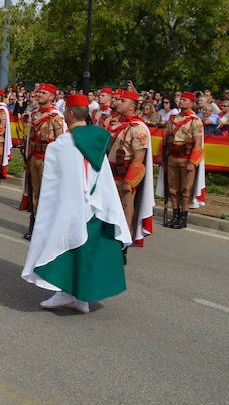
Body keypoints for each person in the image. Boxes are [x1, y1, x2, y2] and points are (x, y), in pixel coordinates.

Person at [21, 93, 131, 314]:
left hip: (71, 205)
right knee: (88, 249)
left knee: (69, 246)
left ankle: (67, 293)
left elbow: (53, 185)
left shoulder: (60, 145)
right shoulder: (101, 137)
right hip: (100, 203)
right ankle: (81, 298)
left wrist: (48, 211)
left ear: (69, 113)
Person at [107, 89, 154, 260]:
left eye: (122, 100)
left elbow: (138, 158)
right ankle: (108, 244)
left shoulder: (138, 128)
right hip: (108, 175)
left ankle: (122, 248)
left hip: (123, 176)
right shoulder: (111, 123)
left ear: (132, 106)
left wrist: (129, 182)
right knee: (107, 212)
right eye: (117, 99)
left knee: (125, 212)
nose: (117, 102)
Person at [19, 84, 65, 240]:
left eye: (43, 93)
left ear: (52, 96)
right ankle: (34, 225)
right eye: (38, 92)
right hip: (34, 156)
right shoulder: (35, 112)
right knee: (34, 193)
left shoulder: (56, 115)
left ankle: (46, 228)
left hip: (47, 159)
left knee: (47, 194)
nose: (39, 95)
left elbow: (60, 140)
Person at [156, 91, 206, 229]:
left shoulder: (195, 121)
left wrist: (192, 162)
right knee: (173, 189)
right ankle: (175, 216)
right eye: (180, 99)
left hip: (186, 158)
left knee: (186, 190)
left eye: (184, 100)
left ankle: (183, 218)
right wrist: (160, 155)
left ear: (191, 103)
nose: (181, 101)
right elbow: (164, 140)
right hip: (172, 157)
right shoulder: (172, 119)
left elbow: (198, 143)